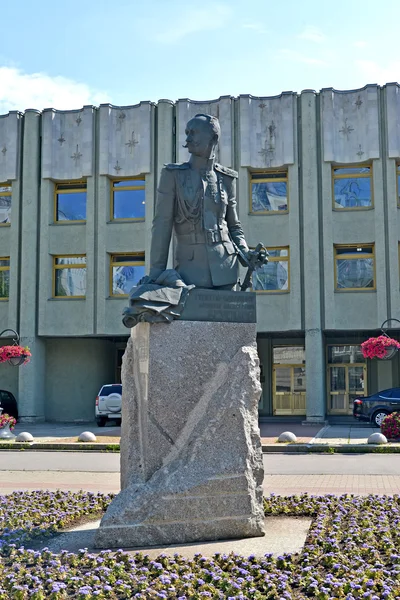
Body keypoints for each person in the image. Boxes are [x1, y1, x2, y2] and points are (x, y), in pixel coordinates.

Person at [148, 113, 264, 290]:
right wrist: (156, 273)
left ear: (212, 137)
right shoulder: (173, 175)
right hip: (190, 269)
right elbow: (162, 226)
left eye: (193, 132)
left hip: (226, 266)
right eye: (187, 133)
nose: (188, 138)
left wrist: (246, 253)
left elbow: (233, 226)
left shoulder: (226, 178)